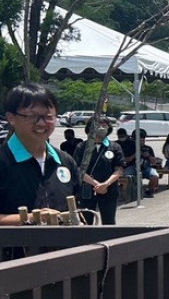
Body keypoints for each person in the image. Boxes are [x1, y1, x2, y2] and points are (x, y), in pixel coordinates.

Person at [0, 82, 81, 226]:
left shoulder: (65, 161)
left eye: (48, 117)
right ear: (11, 118)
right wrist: (33, 218)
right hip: (14, 248)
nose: (41, 123)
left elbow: (76, 209)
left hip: (66, 248)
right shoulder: (4, 161)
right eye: (32, 116)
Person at [77, 116, 122, 224]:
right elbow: (79, 169)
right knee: (86, 221)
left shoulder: (114, 147)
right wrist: (95, 184)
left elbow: (119, 169)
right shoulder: (82, 146)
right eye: (98, 125)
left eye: (104, 125)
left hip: (109, 189)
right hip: (87, 189)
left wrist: (105, 184)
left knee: (109, 221)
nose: (101, 128)